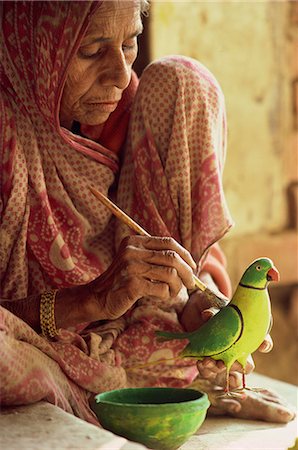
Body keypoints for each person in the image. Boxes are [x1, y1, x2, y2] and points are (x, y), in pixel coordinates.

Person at [0, 0, 294, 427]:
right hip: (35, 344)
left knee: (183, 80)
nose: (120, 75)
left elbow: (196, 257)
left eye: (131, 42)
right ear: (36, 44)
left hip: (137, 346)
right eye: (91, 50)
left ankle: (188, 380)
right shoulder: (9, 127)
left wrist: (201, 302)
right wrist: (90, 300)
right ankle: (120, 390)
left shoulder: (140, 107)